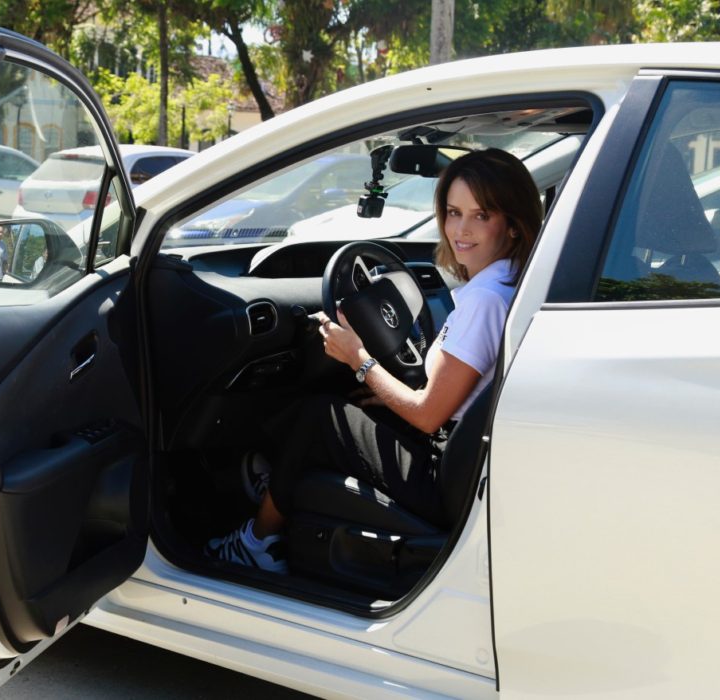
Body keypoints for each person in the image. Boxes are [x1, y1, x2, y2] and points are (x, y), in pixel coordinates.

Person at [204, 148, 543, 573]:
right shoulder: (512, 284)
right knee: (359, 399)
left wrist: (358, 357)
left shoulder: (485, 302)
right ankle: (278, 481)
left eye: (481, 215)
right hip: (464, 457)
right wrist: (384, 385)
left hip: (442, 478)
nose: (461, 229)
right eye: (454, 212)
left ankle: (256, 543)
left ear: (512, 224)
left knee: (320, 415)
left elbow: (426, 416)